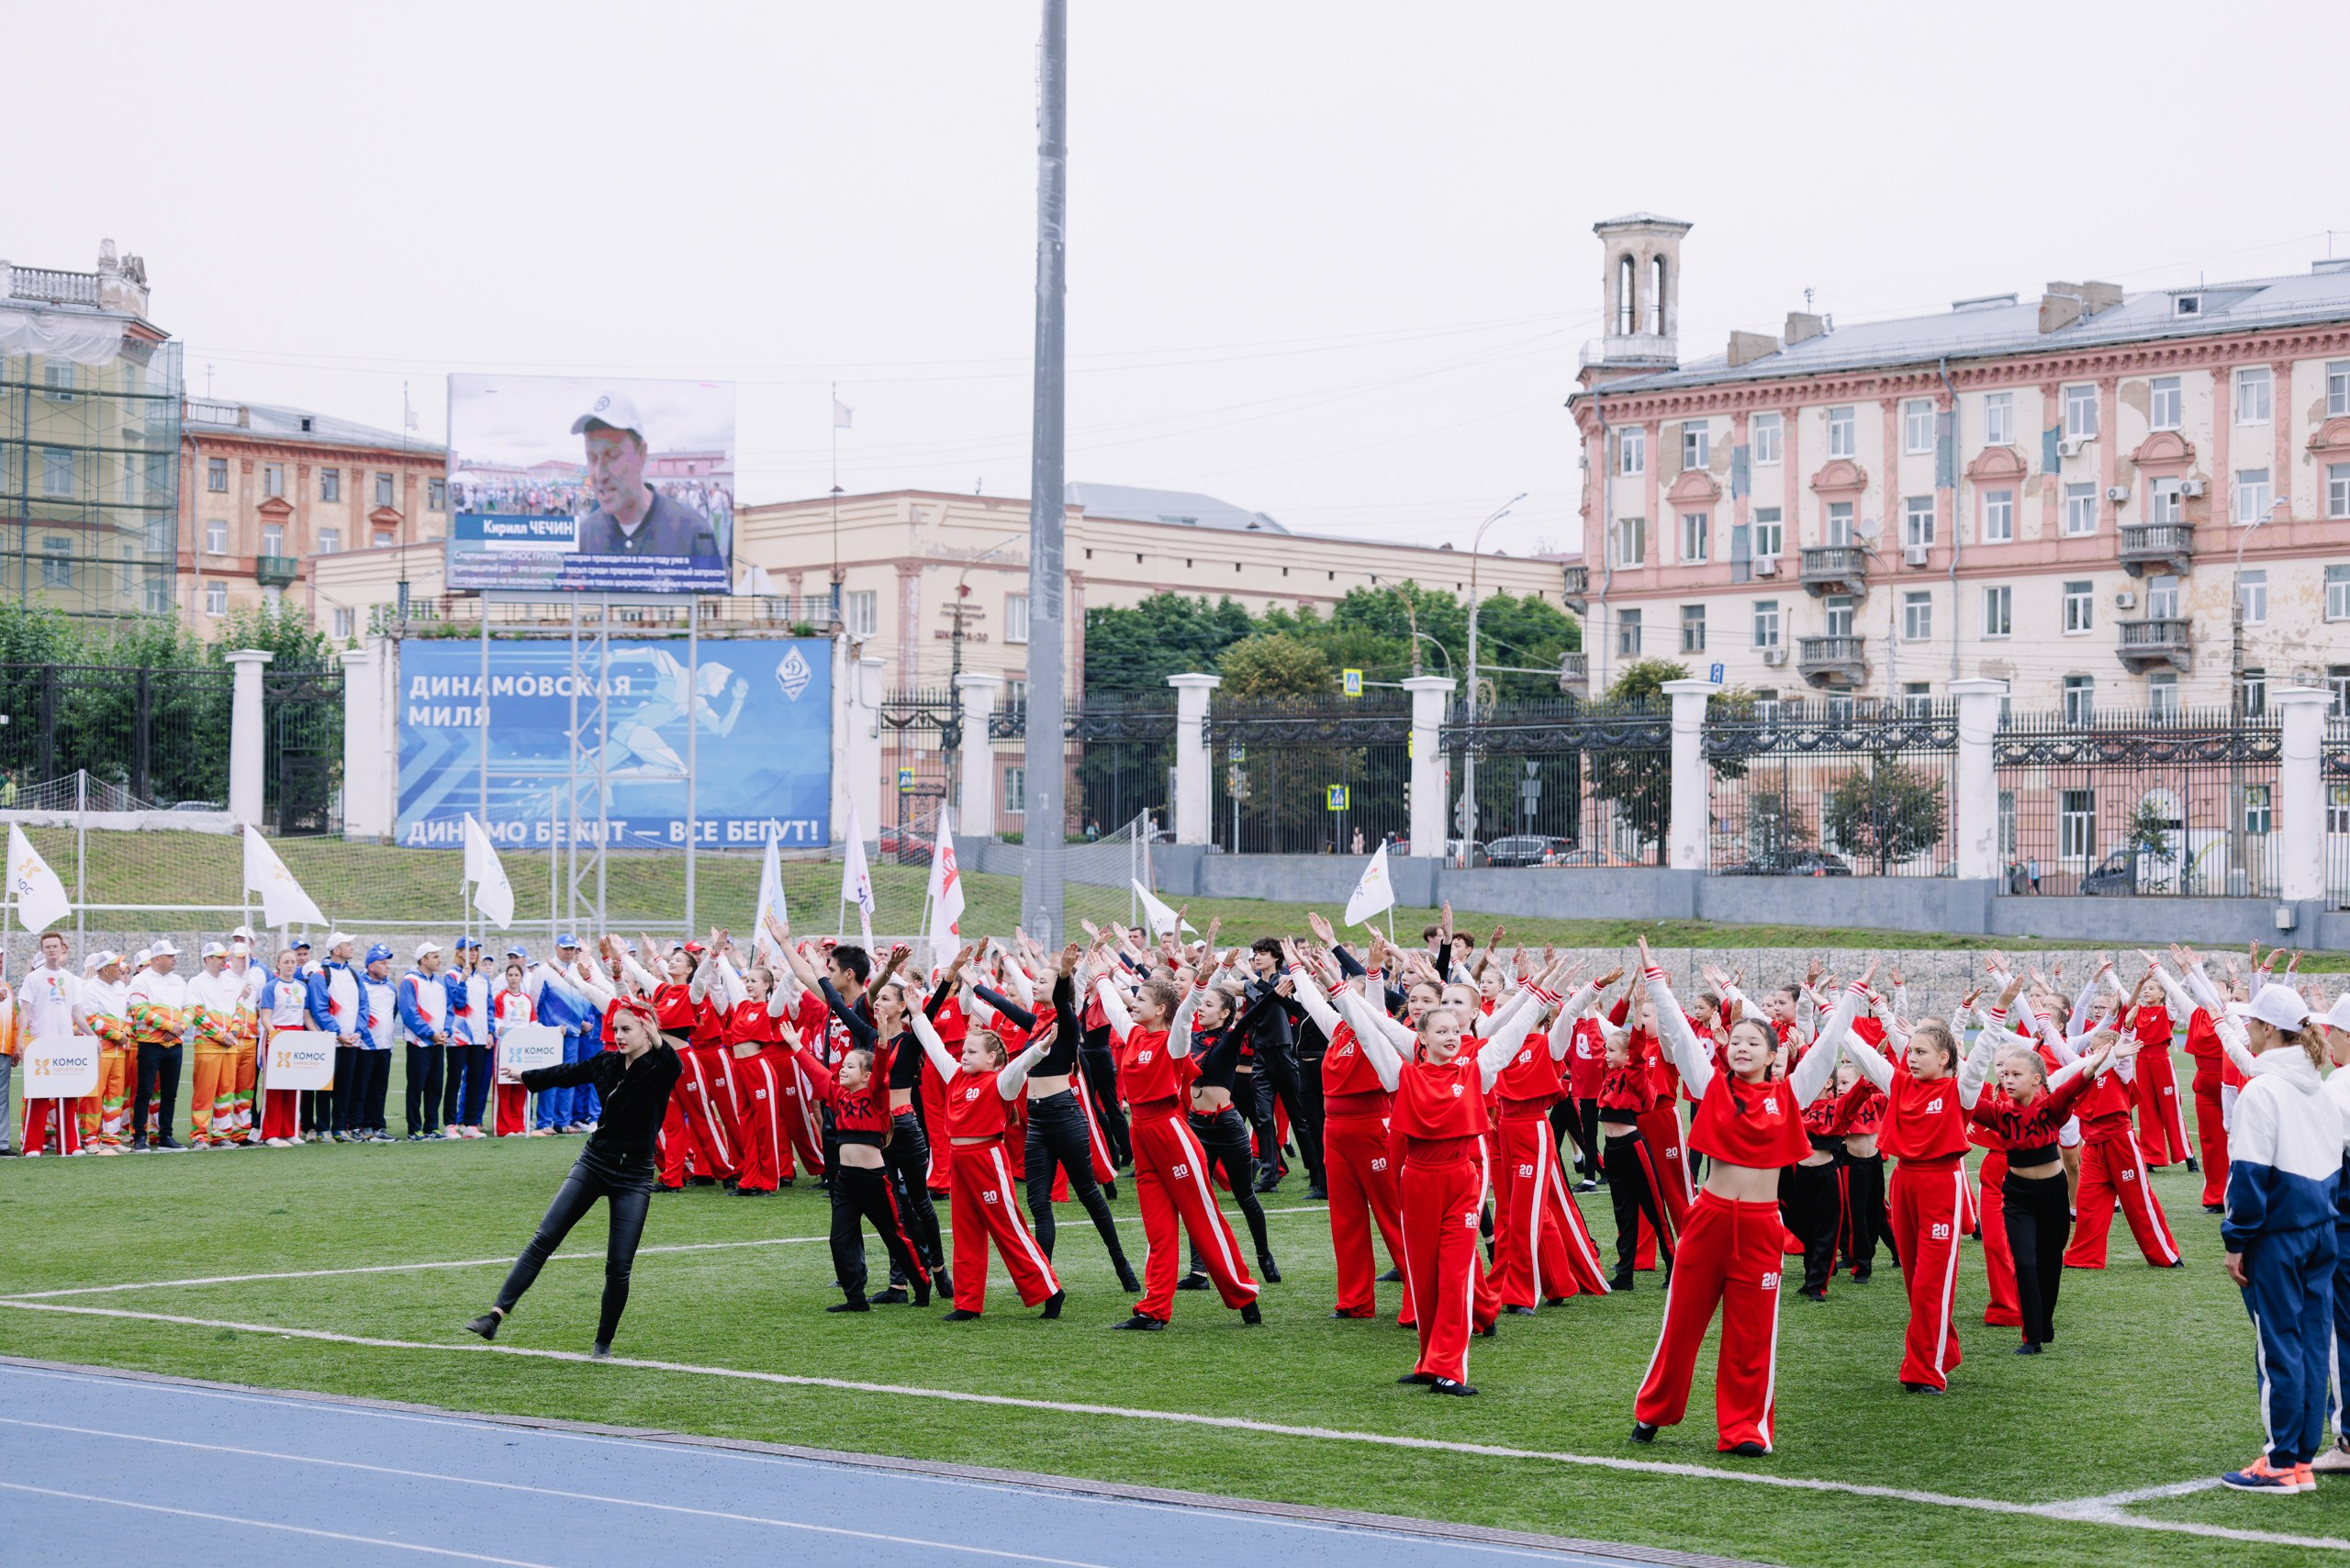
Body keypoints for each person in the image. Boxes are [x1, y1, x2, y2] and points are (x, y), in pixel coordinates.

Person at [1630, 945, 1865, 1452]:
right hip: (1708, 1221)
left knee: (1752, 1335)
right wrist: (1655, 979)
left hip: (1760, 1227)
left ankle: (1743, 1429)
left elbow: (1827, 1048)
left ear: (1772, 1053)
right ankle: (1654, 1411)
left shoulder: (1789, 1095)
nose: (1741, 1048)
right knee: (1681, 1325)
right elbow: (1674, 1027)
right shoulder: (1710, 1085)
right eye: (1735, 1041)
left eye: (1752, 1042)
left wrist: (1851, 998)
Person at [466, 994, 682, 1358]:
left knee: (618, 1266)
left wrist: (655, 1034)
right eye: (616, 1029)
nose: (619, 1035)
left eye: (627, 1029)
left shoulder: (661, 1069)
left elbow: (670, 1061)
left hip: (634, 1175)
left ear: (647, 1031)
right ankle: (494, 1316)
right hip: (594, 1162)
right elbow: (567, 1073)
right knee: (543, 1239)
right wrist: (526, 1076)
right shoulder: (606, 1063)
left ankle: (603, 1344)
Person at [2194, 969, 2335, 1494]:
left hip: (2278, 1234)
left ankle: (2280, 1463)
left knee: (2278, 1345)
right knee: (2312, 1342)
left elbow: (2249, 1176)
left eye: (2253, 1021)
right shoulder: (2315, 1084)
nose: (2248, 1029)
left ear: (2270, 1030)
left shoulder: (2262, 1091)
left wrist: (2237, 1240)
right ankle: (2298, 1459)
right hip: (2321, 1230)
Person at [1837, 980, 1992, 1394]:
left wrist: (1997, 1015)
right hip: (1903, 1182)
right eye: (1911, 1051)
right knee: (1914, 1282)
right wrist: (1831, 1013)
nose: (1912, 1057)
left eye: (1921, 1052)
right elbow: (1865, 1056)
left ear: (1944, 1058)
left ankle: (1925, 1370)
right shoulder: (1900, 1082)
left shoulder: (1959, 1090)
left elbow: (1979, 1064)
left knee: (1931, 1283)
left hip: (1941, 1184)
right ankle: (1945, 1350)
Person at [1097, 953, 1261, 1331]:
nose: (1132, 1003)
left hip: (1171, 1131)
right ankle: (1154, 1310)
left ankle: (1242, 1292)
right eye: (1134, 998)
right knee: (1158, 1228)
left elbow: (1185, 1013)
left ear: (1160, 1010)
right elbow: (1110, 1002)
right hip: (1141, 1131)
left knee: (1202, 1219)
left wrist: (1204, 979)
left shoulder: (1173, 1040)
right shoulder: (1134, 1031)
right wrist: (1098, 972)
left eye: (1140, 1000)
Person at [1966, 991, 2122, 1355]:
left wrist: (2108, 1056)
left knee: (2050, 1262)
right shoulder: (1999, 1112)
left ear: (2037, 1079)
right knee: (2024, 1260)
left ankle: (2044, 1321)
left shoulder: (2050, 1108)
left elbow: (2076, 1081)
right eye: (2004, 1074)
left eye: (2016, 1074)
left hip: (2052, 1193)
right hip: (2017, 1194)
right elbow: (1966, 1094)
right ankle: (2031, 1336)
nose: (2007, 1080)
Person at [907, 981, 1064, 1322]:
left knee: (1008, 1228)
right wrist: (918, 1015)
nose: (963, 1056)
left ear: (992, 1057)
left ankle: (1050, 1290)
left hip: (987, 1160)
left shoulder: (1000, 1081)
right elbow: (934, 1047)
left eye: (972, 1052)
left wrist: (1041, 1048)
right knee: (965, 1232)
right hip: (959, 1162)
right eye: (963, 1050)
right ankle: (967, 1303)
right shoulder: (955, 1077)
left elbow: (1020, 1064)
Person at [786, 963, 935, 1312]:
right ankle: (855, 1298)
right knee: (840, 1238)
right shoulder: (838, 1094)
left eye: (850, 1067)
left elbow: (883, 1068)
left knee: (894, 1237)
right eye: (844, 1066)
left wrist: (882, 1039)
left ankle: (922, 1285)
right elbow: (818, 1071)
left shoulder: (878, 1094)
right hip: (846, 1179)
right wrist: (796, 1046)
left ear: (866, 1074)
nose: (843, 1069)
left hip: (873, 1177)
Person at [567, 394, 719, 560]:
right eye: (592, 458)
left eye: (611, 455)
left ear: (641, 455)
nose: (599, 475)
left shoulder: (692, 533)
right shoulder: (583, 540)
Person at [17, 931, 84, 1158]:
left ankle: (70, 1145)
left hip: (65, 1045)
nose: (52, 950)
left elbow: (77, 1013)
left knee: (68, 1096)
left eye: (55, 946)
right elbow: (24, 1010)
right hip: (41, 1044)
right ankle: (32, 1146)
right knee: (39, 1096)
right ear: (43, 950)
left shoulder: (70, 979)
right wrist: (19, 1039)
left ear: (62, 948)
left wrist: (91, 1035)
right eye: (47, 946)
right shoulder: (33, 978)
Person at [125, 939, 189, 1152]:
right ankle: (140, 1137)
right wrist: (171, 1026)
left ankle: (165, 1136)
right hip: (150, 1044)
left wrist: (182, 1026)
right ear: (156, 959)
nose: (174, 959)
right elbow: (140, 1011)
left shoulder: (179, 980)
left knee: (170, 1093)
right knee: (144, 1092)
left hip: (175, 1044)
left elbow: (191, 1007)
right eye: (170, 956)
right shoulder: (141, 981)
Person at [185, 941, 246, 1148]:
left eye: (225, 957)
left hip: (229, 1046)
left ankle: (222, 1135)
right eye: (220, 957)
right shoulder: (196, 983)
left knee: (226, 1092)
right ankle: (199, 1136)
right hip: (208, 1046)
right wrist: (222, 1036)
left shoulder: (232, 982)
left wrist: (234, 1032)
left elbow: (240, 1009)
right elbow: (197, 1015)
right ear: (208, 959)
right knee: (204, 1092)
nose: (224, 960)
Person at [256, 947, 311, 1147]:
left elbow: (306, 1017)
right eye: (286, 962)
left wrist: (317, 1035)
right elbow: (265, 1017)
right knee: (274, 1087)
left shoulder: (303, 988)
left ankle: (290, 1131)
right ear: (278, 964)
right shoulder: (271, 987)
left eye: (293, 962)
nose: (290, 965)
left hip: (297, 1038)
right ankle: (270, 1133)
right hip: (277, 1037)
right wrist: (275, 1035)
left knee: (294, 1087)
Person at [398, 942, 451, 1140]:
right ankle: (414, 1128)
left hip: (438, 1043)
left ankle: (432, 1126)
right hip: (419, 1043)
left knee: (435, 1086)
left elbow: (449, 1010)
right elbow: (408, 1012)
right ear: (424, 959)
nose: (439, 960)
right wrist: (430, 1033)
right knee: (416, 1086)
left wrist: (445, 1031)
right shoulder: (410, 981)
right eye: (435, 956)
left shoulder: (439, 983)